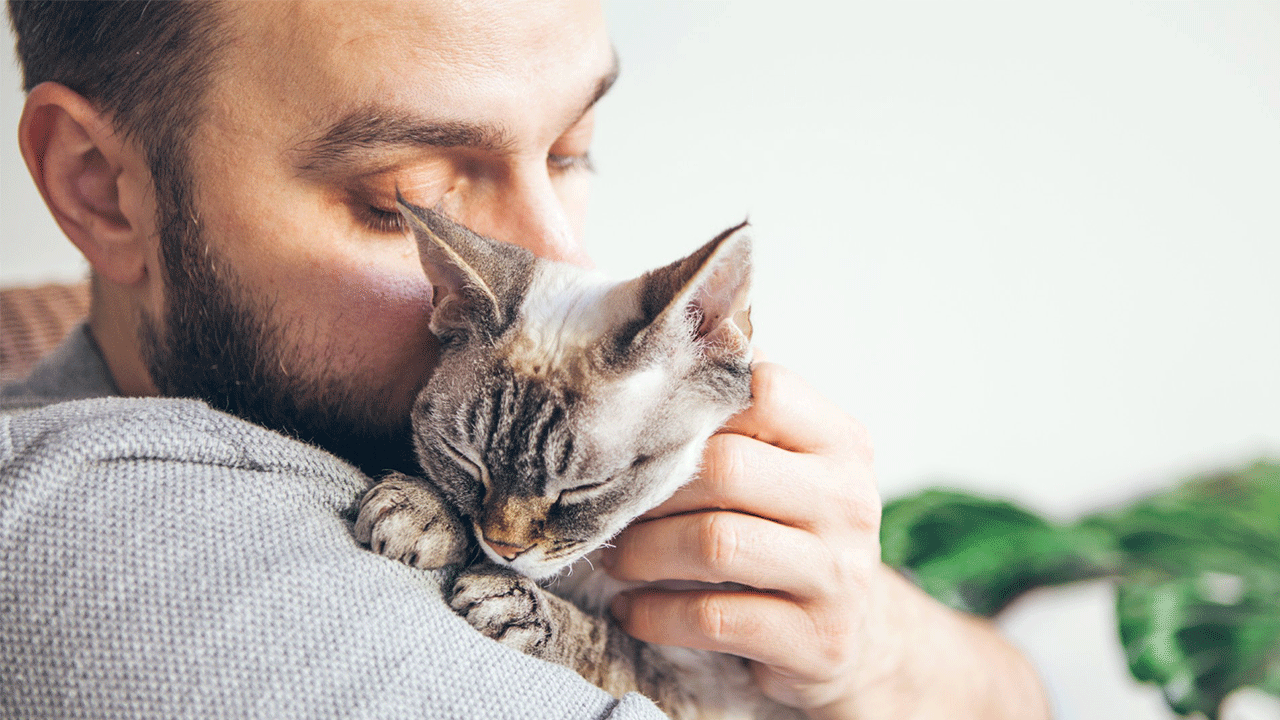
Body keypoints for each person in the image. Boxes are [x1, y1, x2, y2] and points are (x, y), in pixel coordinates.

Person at [0, 1, 1050, 718]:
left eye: (571, 149)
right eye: (406, 196)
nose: (562, 263)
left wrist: (877, 649)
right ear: (100, 187)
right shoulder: (117, 552)